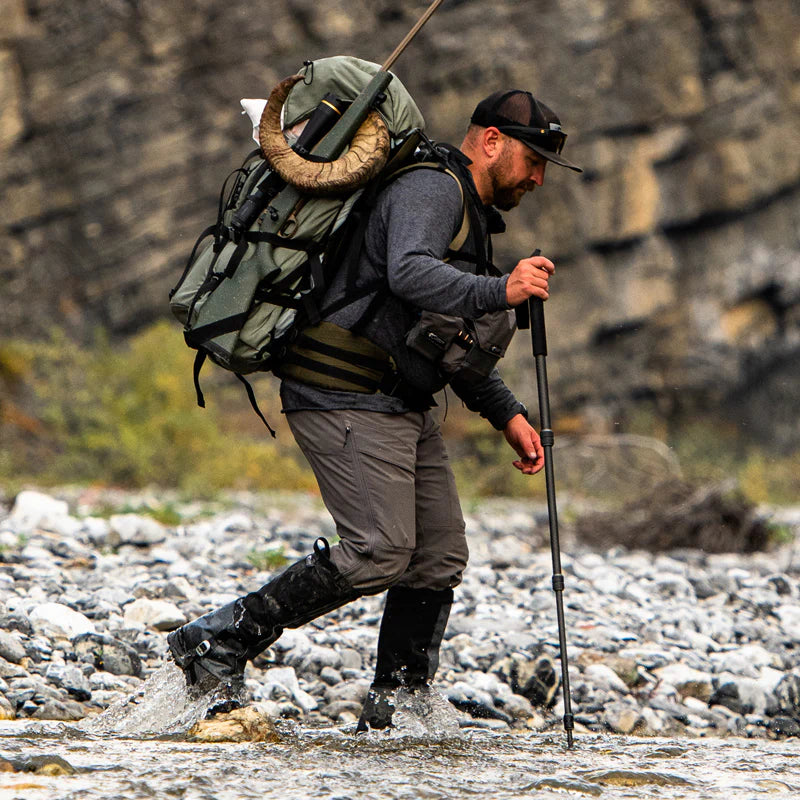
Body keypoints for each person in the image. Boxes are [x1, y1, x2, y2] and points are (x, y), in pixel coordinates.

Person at [167, 88, 582, 730]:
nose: (537, 177)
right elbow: (408, 273)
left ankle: (398, 705)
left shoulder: (467, 213)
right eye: (533, 160)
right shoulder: (433, 190)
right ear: (492, 141)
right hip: (343, 392)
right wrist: (502, 288)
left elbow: (442, 338)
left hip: (400, 403)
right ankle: (217, 640)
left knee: (438, 555)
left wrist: (506, 413)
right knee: (380, 550)